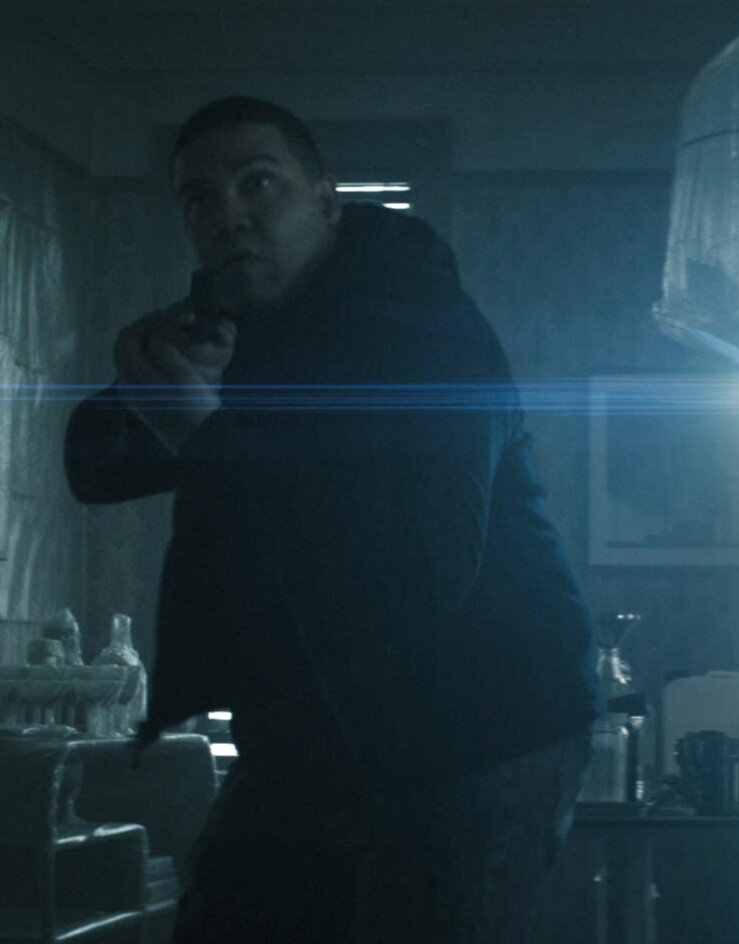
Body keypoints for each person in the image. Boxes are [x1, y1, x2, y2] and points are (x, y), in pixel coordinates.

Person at [62, 96, 601, 944]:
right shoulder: (241, 333)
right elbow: (91, 467)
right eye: (200, 199)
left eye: (257, 183)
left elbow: (423, 564)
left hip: (483, 718)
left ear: (325, 201)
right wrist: (156, 379)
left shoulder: (422, 330)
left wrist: (201, 429)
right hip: (318, 728)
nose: (229, 216)